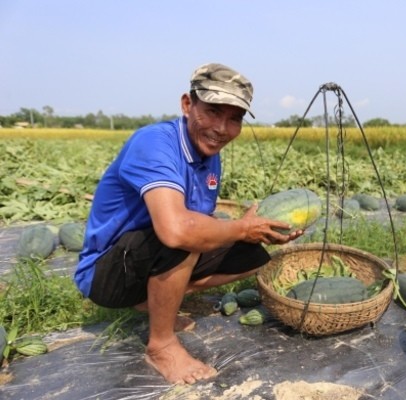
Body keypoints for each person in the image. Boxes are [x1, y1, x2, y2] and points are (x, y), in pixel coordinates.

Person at [74, 63, 303, 384]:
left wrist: (250, 231)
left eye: (234, 118)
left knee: (253, 253)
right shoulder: (154, 143)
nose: (222, 128)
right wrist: (238, 227)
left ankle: (153, 301)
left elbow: (202, 222)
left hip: (145, 260)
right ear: (187, 104)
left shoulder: (210, 156)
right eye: (212, 111)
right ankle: (161, 346)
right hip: (107, 274)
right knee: (183, 236)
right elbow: (177, 230)